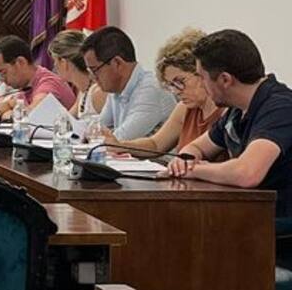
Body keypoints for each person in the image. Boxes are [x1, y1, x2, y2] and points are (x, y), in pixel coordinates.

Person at [163, 30, 292, 218]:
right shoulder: (237, 110)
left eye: (202, 77)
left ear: (225, 79)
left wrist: (193, 169)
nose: (202, 85)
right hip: (252, 216)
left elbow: (247, 173)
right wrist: (184, 160)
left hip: (279, 223)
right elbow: (197, 147)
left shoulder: (280, 107)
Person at [118, 28, 225, 156]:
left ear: (202, 73)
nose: (176, 91)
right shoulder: (184, 108)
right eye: (171, 85)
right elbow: (156, 144)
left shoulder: (227, 112)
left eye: (180, 81)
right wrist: (120, 146)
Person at [81, 26, 175, 141]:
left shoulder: (150, 89)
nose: (92, 77)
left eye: (95, 70)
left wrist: (96, 136)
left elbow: (118, 140)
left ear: (117, 63)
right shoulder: (115, 90)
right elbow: (96, 129)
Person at [0, 35, 76, 116]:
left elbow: (32, 116)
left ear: (21, 62)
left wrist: (8, 114)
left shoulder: (48, 83)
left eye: (3, 72)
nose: (1, 79)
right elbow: (11, 104)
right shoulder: (27, 85)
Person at [48, 30, 105, 117]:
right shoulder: (83, 90)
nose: (54, 65)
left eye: (55, 60)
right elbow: (67, 119)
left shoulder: (98, 93)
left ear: (64, 63)